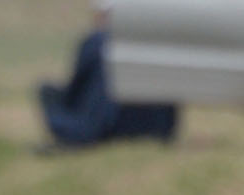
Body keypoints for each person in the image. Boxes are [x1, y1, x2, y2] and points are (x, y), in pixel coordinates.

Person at [38, 13, 178, 150]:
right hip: (156, 128)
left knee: (47, 91)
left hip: (101, 126)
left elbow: (76, 86)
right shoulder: (155, 42)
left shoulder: (96, 42)